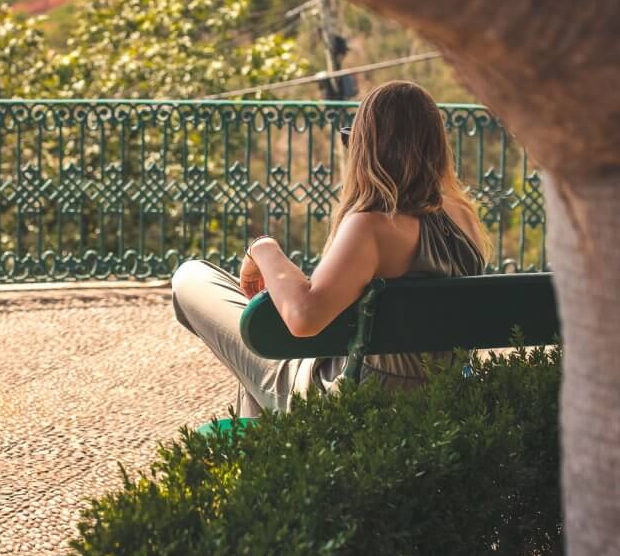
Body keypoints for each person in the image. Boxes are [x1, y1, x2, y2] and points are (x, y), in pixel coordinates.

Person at [171, 80, 490, 418]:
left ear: (366, 147)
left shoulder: (372, 227)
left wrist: (262, 249)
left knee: (190, 277)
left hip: (359, 395)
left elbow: (304, 318)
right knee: (255, 371)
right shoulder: (462, 215)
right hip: (442, 390)